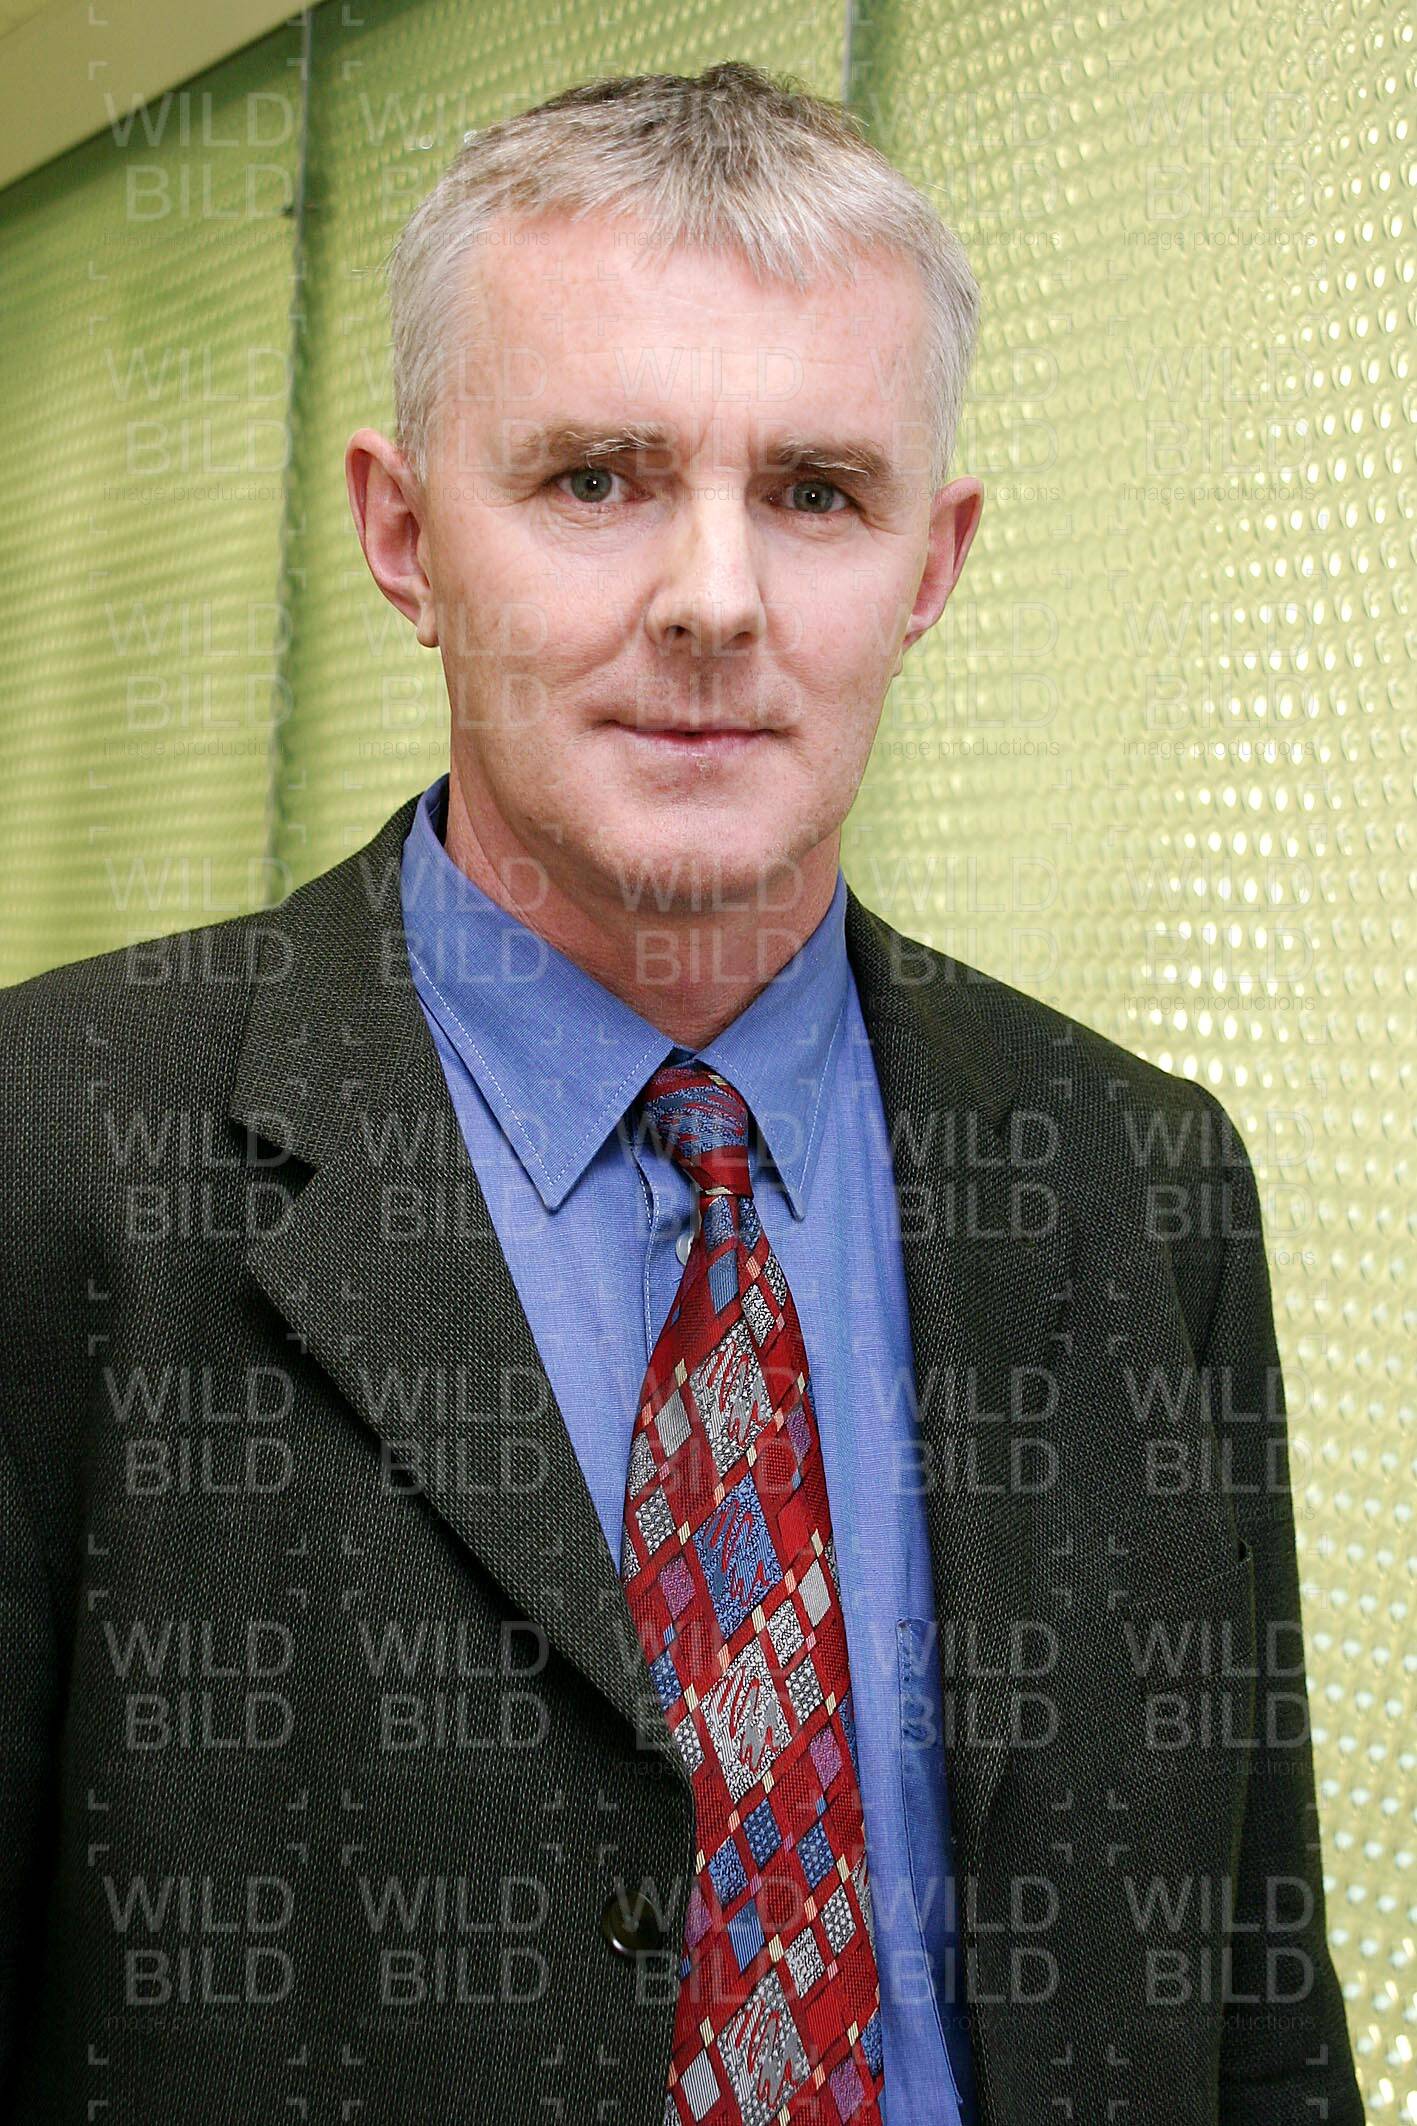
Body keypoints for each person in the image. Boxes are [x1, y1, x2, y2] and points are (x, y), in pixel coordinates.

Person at [0, 60, 1363, 2126]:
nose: (715, 601)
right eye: (595, 479)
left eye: (815, 492)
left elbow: (1256, 2017)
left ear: (931, 562)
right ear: (399, 532)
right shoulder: (58, 1150)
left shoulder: (1136, 1182)